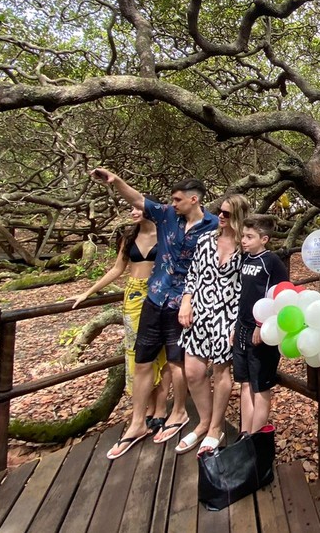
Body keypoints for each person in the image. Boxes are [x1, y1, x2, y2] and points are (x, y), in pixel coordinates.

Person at [90, 168, 218, 460]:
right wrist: (116, 181)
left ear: (194, 199)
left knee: (177, 362)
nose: (173, 203)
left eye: (177, 199)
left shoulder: (213, 226)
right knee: (143, 361)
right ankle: (137, 423)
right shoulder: (167, 216)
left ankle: (179, 412)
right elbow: (138, 199)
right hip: (155, 296)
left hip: (184, 304)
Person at [68, 208, 171, 430]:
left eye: (138, 208)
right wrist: (88, 292)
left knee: (161, 350)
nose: (133, 212)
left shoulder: (166, 235)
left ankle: (160, 407)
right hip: (133, 294)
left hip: (159, 293)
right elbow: (117, 269)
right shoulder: (129, 237)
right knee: (137, 351)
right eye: (131, 208)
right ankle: (146, 408)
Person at [175, 194, 251, 455]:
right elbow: (193, 274)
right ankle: (204, 422)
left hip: (228, 315)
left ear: (238, 216)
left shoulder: (245, 247)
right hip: (200, 311)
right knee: (193, 372)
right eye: (220, 211)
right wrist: (186, 302)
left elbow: (249, 287)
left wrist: (239, 324)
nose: (220, 216)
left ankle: (215, 428)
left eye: (227, 213)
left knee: (221, 372)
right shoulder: (206, 239)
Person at [232, 214, 289, 435]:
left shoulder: (271, 262)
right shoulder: (245, 259)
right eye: (243, 236)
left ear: (264, 239)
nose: (244, 240)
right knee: (245, 383)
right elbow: (243, 295)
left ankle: (256, 438)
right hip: (242, 328)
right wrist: (236, 327)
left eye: (249, 237)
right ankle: (245, 434)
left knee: (260, 386)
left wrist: (261, 325)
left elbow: (279, 296)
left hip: (261, 332)